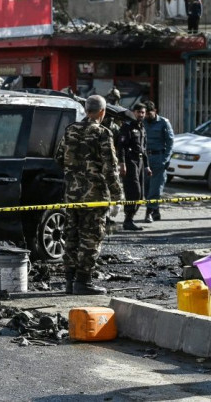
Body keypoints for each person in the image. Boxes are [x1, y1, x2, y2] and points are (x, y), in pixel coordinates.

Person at [55, 95, 124, 295]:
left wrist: (74, 173)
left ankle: (69, 280)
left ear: (87, 110)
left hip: (72, 194)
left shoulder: (71, 130)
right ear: (102, 112)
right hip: (94, 197)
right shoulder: (102, 133)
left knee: (71, 236)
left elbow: (59, 158)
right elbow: (110, 168)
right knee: (91, 238)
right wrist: (118, 196)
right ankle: (83, 282)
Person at [118, 103, 151, 231]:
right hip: (130, 161)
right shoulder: (127, 127)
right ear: (133, 112)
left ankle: (130, 219)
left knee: (141, 194)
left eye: (143, 112)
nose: (141, 115)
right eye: (138, 112)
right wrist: (122, 163)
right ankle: (128, 219)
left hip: (140, 161)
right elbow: (121, 147)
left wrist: (147, 166)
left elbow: (144, 148)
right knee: (134, 191)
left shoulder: (142, 127)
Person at [143, 101, 174, 223]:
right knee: (146, 188)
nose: (146, 116)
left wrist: (165, 159)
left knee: (155, 187)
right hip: (145, 158)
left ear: (155, 111)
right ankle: (155, 211)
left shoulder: (163, 122)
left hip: (158, 157)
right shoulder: (141, 122)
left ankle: (149, 212)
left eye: (149, 114)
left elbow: (170, 142)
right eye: (145, 114)